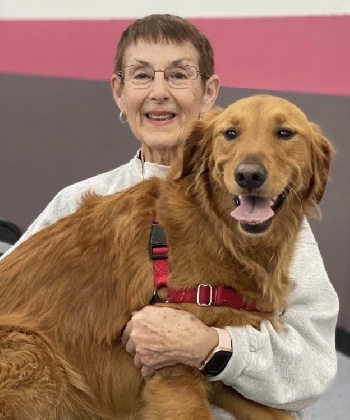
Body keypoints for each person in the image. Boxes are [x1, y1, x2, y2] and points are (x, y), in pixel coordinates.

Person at [1, 14, 338, 420]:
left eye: (178, 75)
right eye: (141, 76)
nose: (159, 92)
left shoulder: (271, 217)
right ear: (119, 93)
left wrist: (212, 346)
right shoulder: (76, 202)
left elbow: (312, 369)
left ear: (208, 91)